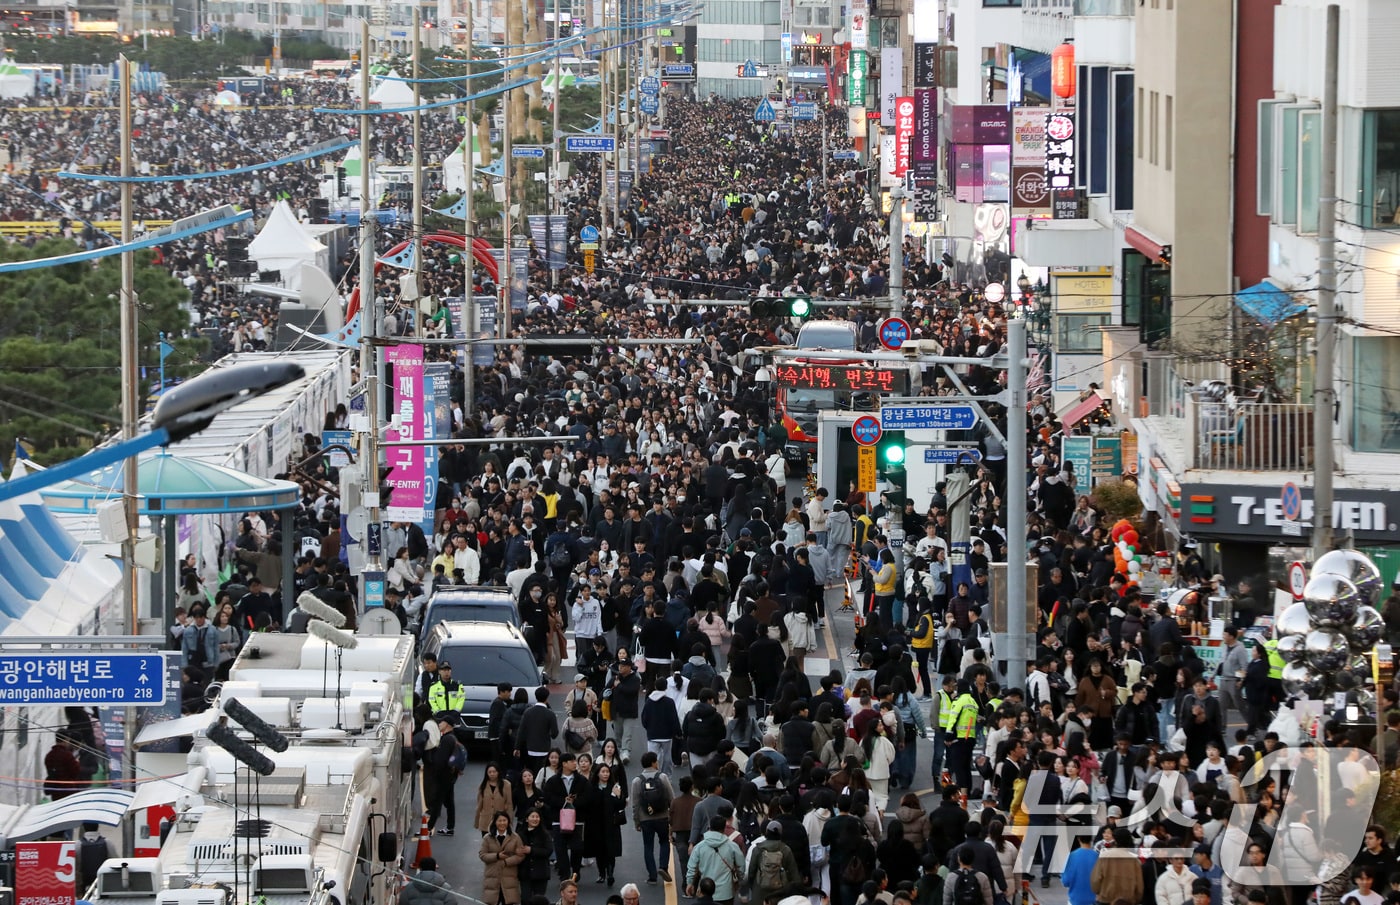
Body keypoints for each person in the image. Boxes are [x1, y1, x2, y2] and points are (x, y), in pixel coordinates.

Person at [631, 751, 676, 885]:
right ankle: (663, 867)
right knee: (664, 842)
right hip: (662, 816)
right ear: (653, 762)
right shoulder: (662, 777)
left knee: (648, 846)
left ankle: (652, 876)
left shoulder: (637, 780)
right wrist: (672, 817)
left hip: (646, 819)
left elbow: (635, 804)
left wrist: (636, 821)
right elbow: (671, 797)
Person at [687, 815, 746, 905]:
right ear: (723, 829)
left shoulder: (699, 847)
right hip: (726, 892)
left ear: (710, 827)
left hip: (705, 891)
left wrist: (690, 883)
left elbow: (692, 867)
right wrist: (740, 881)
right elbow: (741, 866)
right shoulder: (732, 846)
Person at [746, 820, 801, 905]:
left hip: (761, 890)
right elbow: (794, 872)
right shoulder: (785, 850)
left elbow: (751, 871)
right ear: (780, 833)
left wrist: (751, 885)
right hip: (781, 891)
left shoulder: (758, 849)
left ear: (767, 832)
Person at [480, 810, 525, 905]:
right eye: (499, 821)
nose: (502, 823)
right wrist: (497, 856)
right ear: (495, 822)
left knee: (508, 902)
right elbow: (482, 855)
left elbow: (520, 855)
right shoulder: (487, 838)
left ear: (508, 822)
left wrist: (506, 862)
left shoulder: (515, 837)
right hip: (492, 877)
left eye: (504, 820)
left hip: (509, 877)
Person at [476, 763, 515, 834]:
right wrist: (477, 821)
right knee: (487, 842)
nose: (492, 774)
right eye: (490, 772)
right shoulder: (483, 786)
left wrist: (510, 821)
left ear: (498, 772)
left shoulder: (506, 785)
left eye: (494, 772)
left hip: (501, 821)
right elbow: (479, 805)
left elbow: (509, 804)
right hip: (486, 820)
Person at [1060, 834, 1098, 905]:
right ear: (1091, 839)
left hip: (1075, 900)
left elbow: (1066, 881)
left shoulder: (1072, 856)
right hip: (1094, 900)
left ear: (1078, 839)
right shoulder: (1097, 856)